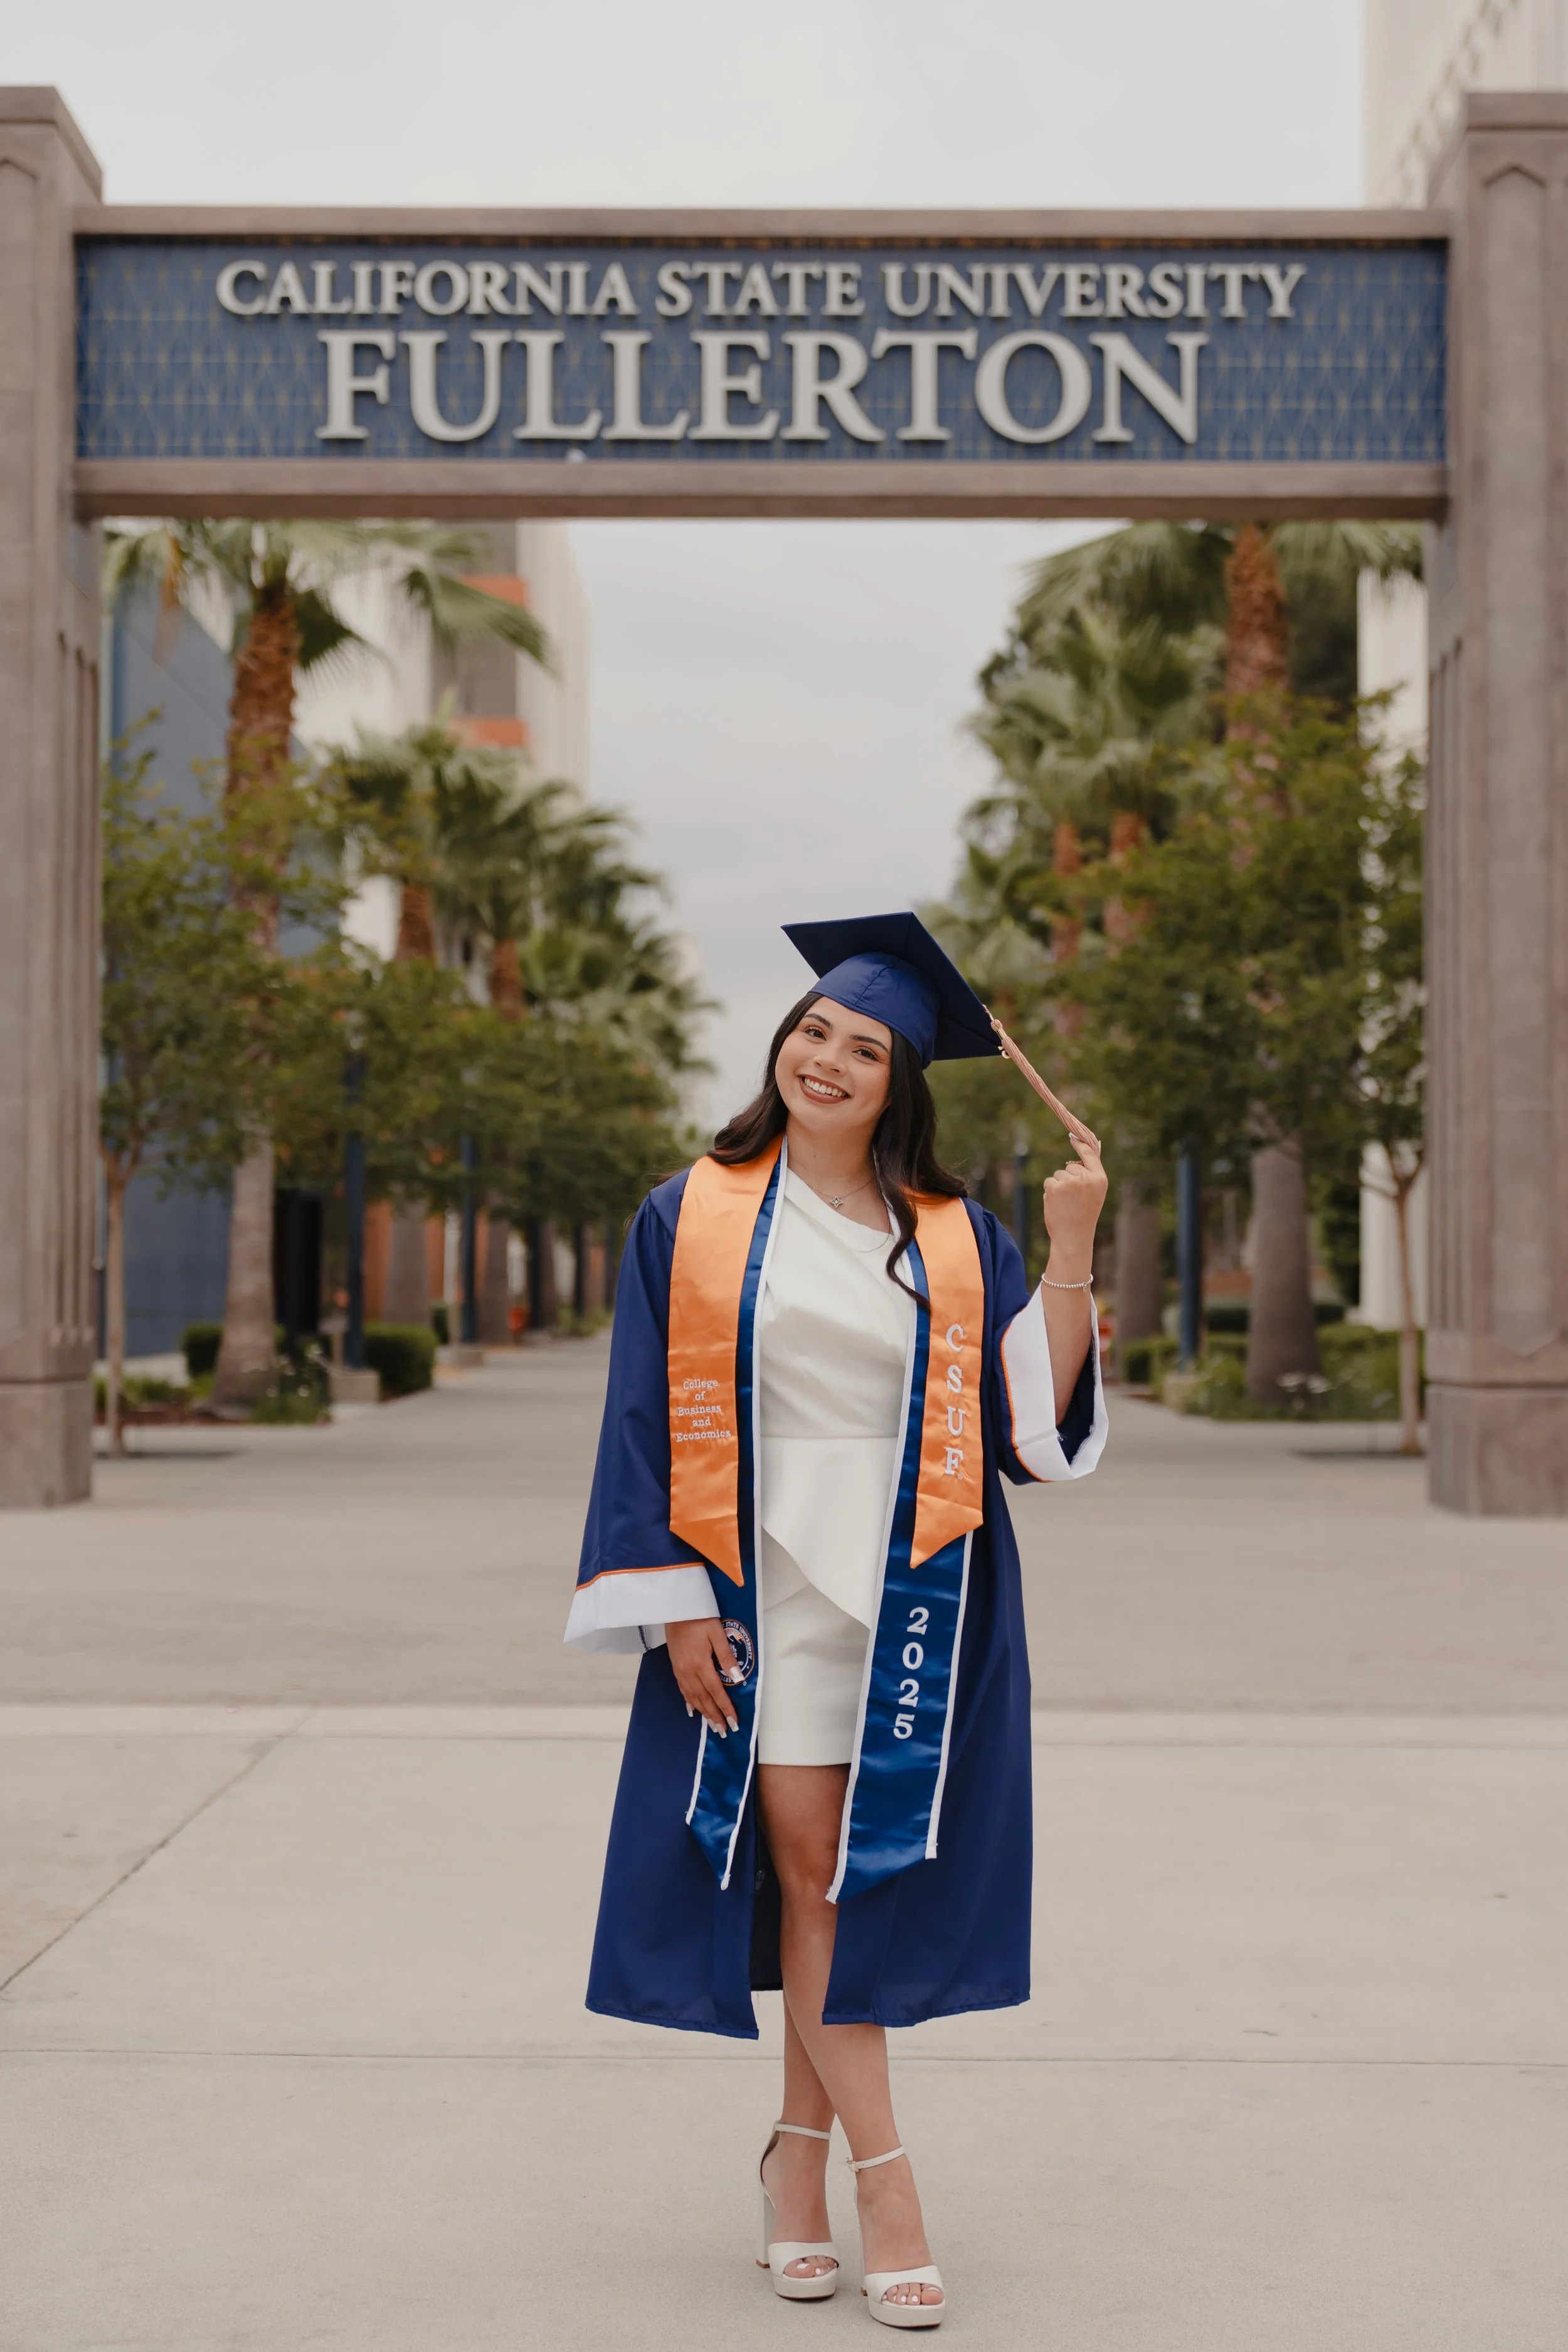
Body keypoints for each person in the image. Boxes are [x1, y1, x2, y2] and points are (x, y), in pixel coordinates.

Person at [565, 911, 1108, 2329]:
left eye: (863, 1048)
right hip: (761, 1589)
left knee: (842, 1888)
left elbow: (1032, 1429)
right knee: (811, 1871)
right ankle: (890, 2185)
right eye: (813, 1031)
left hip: (916, 1589)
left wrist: (1069, 1248)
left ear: (898, 1082)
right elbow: (639, 1414)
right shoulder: (688, 1211)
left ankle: (791, 2163)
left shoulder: (955, 1234)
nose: (826, 1059)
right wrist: (675, 1604)